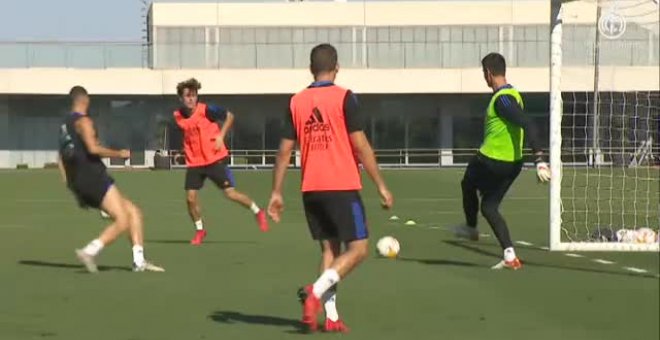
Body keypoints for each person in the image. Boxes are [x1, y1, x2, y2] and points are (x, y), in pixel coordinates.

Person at [268, 44, 394, 333]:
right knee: (359, 249)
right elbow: (360, 146)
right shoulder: (345, 98)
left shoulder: (296, 101)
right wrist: (382, 186)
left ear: (311, 69)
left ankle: (330, 316)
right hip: (341, 185)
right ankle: (314, 292)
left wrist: (276, 192)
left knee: (330, 249)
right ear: (336, 67)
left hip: (311, 189)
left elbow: (284, 152)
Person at [452, 53, 551, 270]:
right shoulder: (514, 94)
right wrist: (537, 160)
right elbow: (528, 124)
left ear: (488, 73)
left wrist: (540, 160)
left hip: (492, 160)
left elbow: (528, 123)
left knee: (467, 183)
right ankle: (509, 255)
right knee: (489, 207)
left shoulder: (503, 99)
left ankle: (470, 227)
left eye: (483, 74)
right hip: (513, 165)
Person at [58, 86, 164, 273]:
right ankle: (90, 251)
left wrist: (72, 186)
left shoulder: (64, 125)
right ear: (85, 100)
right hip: (94, 176)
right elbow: (93, 149)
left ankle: (139, 262)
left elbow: (61, 158)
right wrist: (119, 153)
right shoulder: (84, 121)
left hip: (81, 180)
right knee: (122, 219)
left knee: (134, 212)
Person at [173, 78, 269, 245]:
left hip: (214, 159)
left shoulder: (207, 110)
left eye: (194, 95)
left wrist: (221, 135)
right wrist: (182, 153)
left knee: (230, 193)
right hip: (195, 162)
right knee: (190, 198)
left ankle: (257, 211)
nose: (191, 99)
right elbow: (189, 135)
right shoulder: (178, 116)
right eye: (187, 96)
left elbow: (230, 116)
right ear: (181, 98)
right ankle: (200, 230)